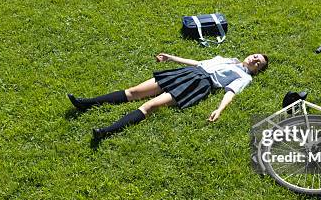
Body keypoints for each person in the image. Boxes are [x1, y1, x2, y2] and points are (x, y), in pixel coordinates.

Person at [67, 53, 269, 145]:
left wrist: (219, 109)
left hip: (198, 84)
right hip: (187, 73)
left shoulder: (244, 77)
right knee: (133, 92)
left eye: (258, 63)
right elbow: (198, 62)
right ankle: (86, 103)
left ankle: (105, 131)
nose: (254, 60)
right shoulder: (228, 58)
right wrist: (171, 58)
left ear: (256, 70)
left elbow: (230, 92)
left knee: (149, 106)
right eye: (255, 56)